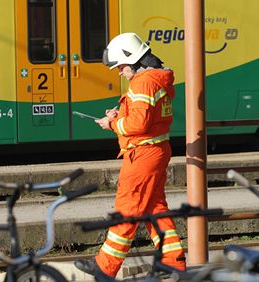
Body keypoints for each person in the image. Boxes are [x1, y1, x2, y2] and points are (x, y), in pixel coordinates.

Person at [75, 32, 186, 278]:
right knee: (155, 209)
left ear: (133, 60)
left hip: (143, 154)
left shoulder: (142, 82)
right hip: (156, 150)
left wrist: (112, 124)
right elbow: (148, 115)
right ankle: (173, 261)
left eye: (121, 67)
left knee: (127, 209)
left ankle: (104, 267)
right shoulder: (157, 78)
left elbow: (138, 124)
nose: (119, 72)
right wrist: (119, 114)